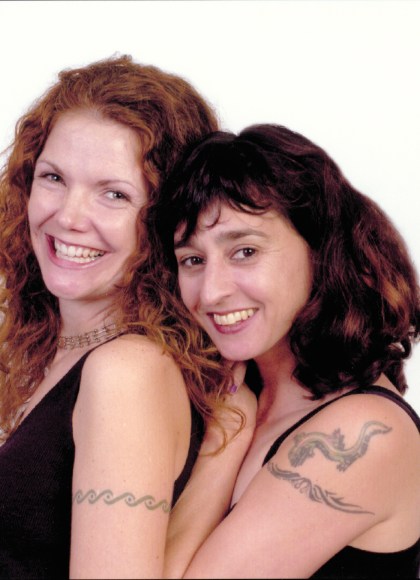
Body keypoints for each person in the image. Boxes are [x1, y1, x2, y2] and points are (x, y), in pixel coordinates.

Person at [0, 54, 251, 578]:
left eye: (114, 194)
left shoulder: (127, 372)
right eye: (53, 177)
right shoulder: (38, 343)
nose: (68, 216)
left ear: (167, 219)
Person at [148, 124, 420, 578]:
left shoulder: (366, 433)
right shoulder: (234, 392)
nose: (211, 292)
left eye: (244, 251)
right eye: (192, 260)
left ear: (320, 250)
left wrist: (225, 439)